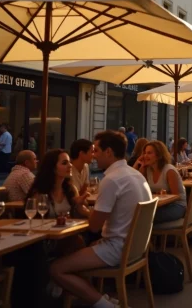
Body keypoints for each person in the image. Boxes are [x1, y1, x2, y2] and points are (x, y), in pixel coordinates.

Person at [50, 131, 152, 308]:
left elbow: (95, 226)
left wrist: (83, 210)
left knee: (56, 269)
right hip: (137, 247)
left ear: (109, 152)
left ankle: (103, 305)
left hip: (116, 248)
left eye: (96, 150)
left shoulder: (112, 180)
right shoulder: (137, 175)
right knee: (76, 246)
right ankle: (98, 297)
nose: (94, 155)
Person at [27, 149, 90, 220]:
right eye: (64, 163)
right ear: (52, 167)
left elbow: (80, 215)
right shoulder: (39, 193)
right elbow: (33, 220)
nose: (70, 165)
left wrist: (79, 206)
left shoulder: (71, 189)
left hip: (66, 229)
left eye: (70, 162)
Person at [133, 140, 187, 224]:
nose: (145, 156)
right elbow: (134, 183)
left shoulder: (169, 170)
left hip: (177, 206)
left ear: (158, 155)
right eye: (144, 153)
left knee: (142, 216)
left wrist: (160, 196)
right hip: (161, 205)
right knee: (136, 214)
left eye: (149, 153)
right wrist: (137, 164)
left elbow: (176, 196)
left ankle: (146, 237)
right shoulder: (148, 170)